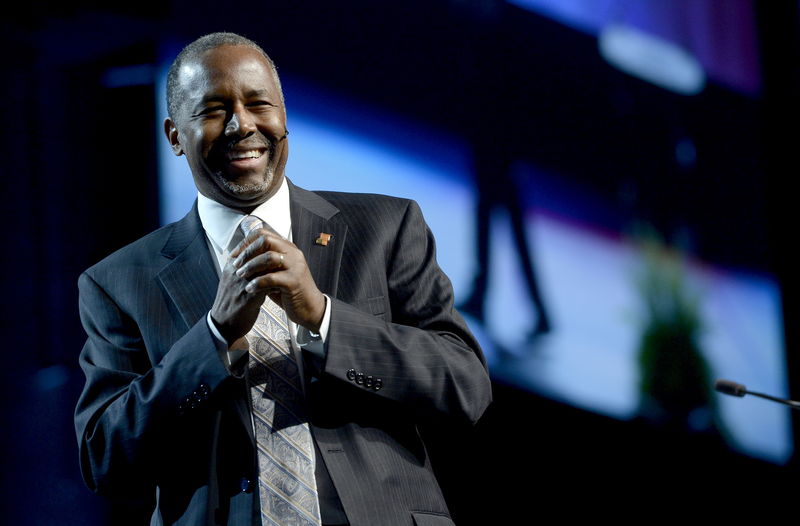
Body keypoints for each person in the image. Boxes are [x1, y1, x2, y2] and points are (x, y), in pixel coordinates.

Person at [74, 32, 491, 526]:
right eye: (213, 110)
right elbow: (105, 459)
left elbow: (465, 388)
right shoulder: (118, 281)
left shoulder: (384, 228)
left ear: (284, 118)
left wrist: (322, 315)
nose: (241, 125)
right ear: (174, 137)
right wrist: (213, 334)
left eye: (258, 104)